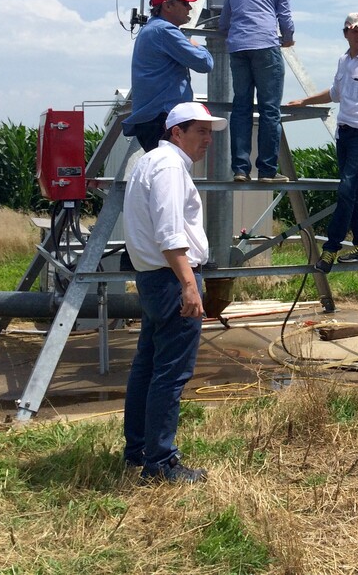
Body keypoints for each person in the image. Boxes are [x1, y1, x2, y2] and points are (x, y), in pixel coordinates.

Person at [122, 101, 227, 484]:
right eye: (199, 131)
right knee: (170, 374)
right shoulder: (168, 168)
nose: (207, 141)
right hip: (171, 278)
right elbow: (169, 232)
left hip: (154, 278)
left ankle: (137, 452)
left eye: (209, 133)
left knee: (147, 367)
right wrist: (188, 285)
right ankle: (161, 463)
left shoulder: (150, 162)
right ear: (176, 133)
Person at [287, 12, 358, 272]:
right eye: (356, 31)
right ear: (346, 33)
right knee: (355, 190)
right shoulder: (344, 61)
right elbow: (336, 94)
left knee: (347, 188)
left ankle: (330, 248)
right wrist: (304, 101)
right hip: (344, 132)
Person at [219, 0, 295, 183]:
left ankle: (240, 170)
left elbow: (224, 22)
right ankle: (267, 171)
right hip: (265, 46)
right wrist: (288, 39)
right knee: (269, 110)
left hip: (238, 48)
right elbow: (285, 17)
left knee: (241, 107)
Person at [122, 0, 214, 152]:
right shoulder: (165, 30)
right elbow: (204, 64)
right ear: (168, 5)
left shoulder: (150, 29)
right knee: (169, 170)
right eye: (184, 3)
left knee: (163, 170)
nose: (189, 8)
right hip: (163, 118)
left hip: (153, 119)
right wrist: (197, 46)